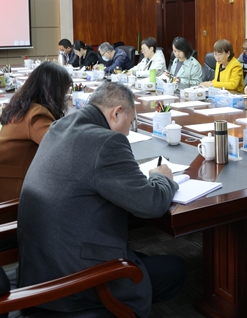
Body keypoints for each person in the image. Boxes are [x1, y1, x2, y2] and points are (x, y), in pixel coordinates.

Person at [18, 82, 185, 316]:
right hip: (74, 280)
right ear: (117, 113)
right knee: (175, 269)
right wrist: (162, 178)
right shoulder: (106, 142)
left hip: (40, 268)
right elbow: (152, 204)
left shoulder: (59, 126)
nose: (128, 133)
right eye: (129, 123)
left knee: (144, 257)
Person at [0, 62, 72, 226]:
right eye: (65, 91)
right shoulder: (36, 114)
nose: (66, 97)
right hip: (8, 210)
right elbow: (62, 149)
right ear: (55, 90)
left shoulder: (22, 106)